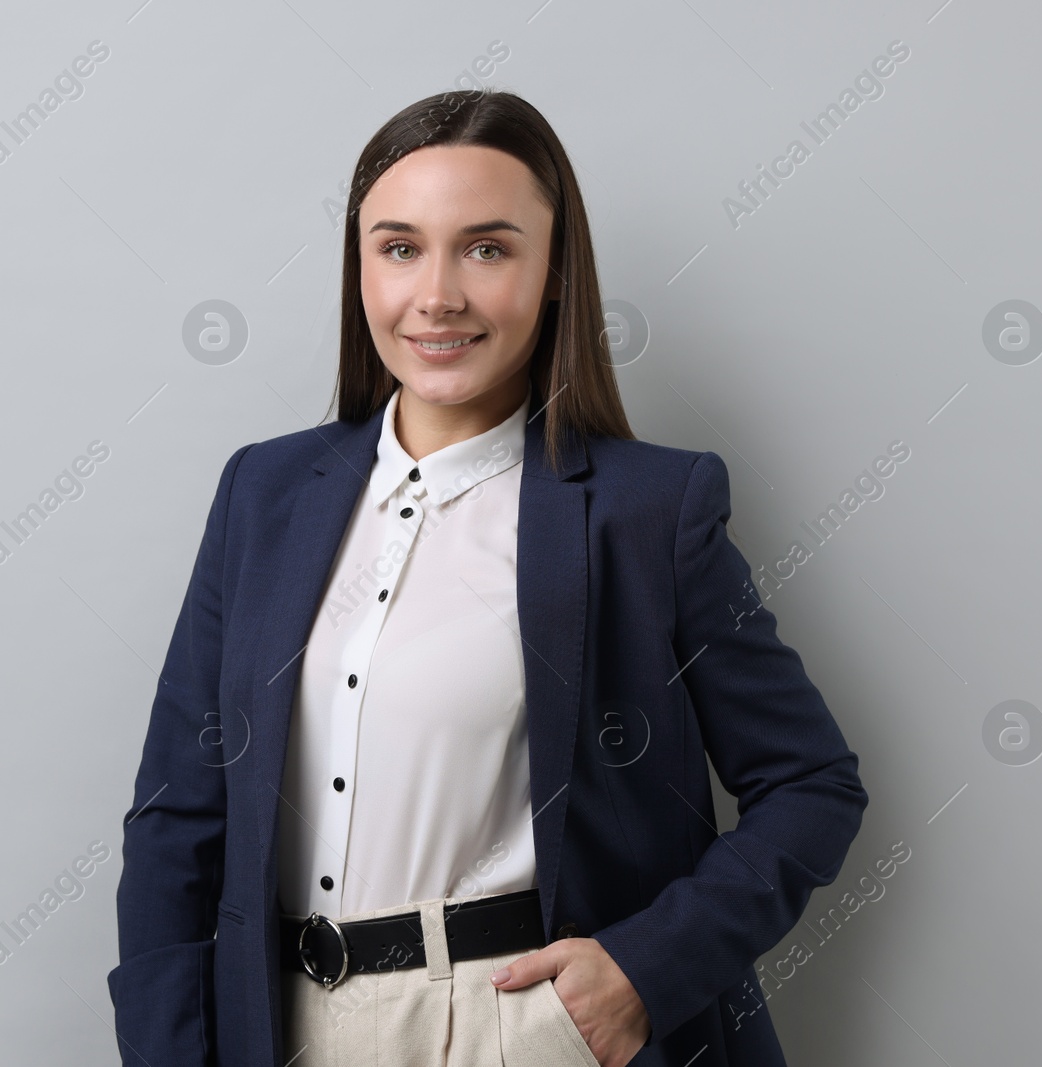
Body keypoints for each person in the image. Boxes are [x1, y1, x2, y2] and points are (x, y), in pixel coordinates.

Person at [108, 88, 868, 1067]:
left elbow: (811, 783)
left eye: (487, 247)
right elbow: (179, 813)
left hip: (519, 1026)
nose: (437, 296)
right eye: (398, 246)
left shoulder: (647, 510)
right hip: (281, 1022)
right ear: (359, 270)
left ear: (554, 272)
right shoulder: (264, 492)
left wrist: (643, 969)